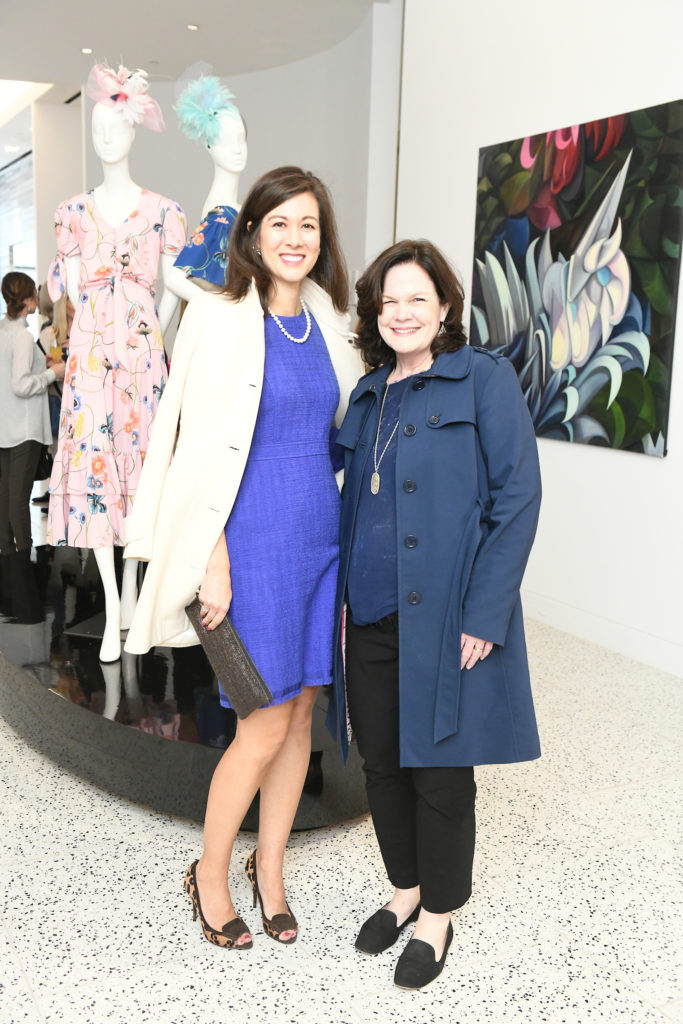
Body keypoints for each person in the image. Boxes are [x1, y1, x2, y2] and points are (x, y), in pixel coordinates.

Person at [123, 166, 363, 949]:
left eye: (308, 225)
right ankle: (210, 874)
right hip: (249, 545)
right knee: (261, 722)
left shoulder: (329, 319)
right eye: (280, 223)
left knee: (299, 717)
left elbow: (341, 433)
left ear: (321, 239)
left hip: (319, 542)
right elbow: (194, 446)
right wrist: (212, 558)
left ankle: (271, 872)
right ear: (253, 233)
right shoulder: (221, 316)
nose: (295, 238)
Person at [328, 240, 542, 989]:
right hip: (369, 614)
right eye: (388, 301)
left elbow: (518, 498)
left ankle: (437, 916)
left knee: (439, 772)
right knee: (382, 766)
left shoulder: (481, 377)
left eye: (416, 298)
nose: (401, 313)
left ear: (444, 306)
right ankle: (404, 889)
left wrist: (485, 613)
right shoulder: (369, 392)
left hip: (446, 618)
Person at [47, 63, 187, 662]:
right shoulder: (72, 213)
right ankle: (112, 599)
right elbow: (75, 297)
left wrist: (152, 334)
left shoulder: (163, 211)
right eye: (98, 130)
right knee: (98, 472)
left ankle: (134, 589)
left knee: (143, 472)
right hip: (91, 366)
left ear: (133, 130)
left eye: (116, 127)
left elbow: (172, 291)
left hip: (141, 365)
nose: (107, 138)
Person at [0, 272, 66, 555]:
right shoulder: (24, 337)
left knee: (6, 496)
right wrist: (53, 373)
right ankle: (25, 556)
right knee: (18, 498)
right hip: (25, 429)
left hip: (7, 426)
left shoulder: (4, 330)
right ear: (27, 300)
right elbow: (21, 384)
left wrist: (43, 365)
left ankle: (8, 554)